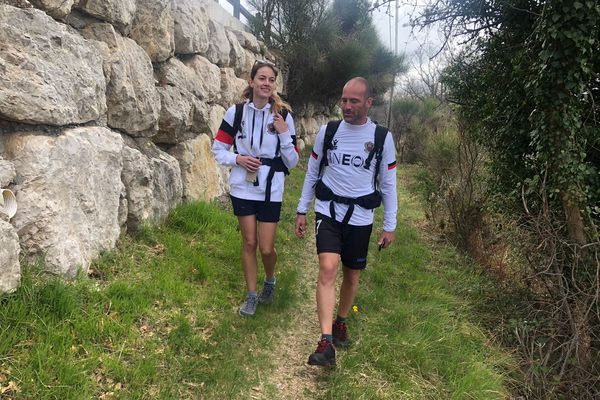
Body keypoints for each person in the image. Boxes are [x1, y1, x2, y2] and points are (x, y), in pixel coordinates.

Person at [295, 77, 397, 366]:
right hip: (328, 210)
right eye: (344, 100)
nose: (347, 106)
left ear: (368, 102)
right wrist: (302, 210)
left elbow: (388, 184)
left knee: (352, 275)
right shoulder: (328, 132)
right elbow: (312, 172)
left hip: (361, 217)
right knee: (328, 268)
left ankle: (340, 322)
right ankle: (326, 342)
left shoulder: (381, 138)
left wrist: (390, 224)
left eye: (354, 101)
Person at [212, 60, 299, 316]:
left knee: (266, 248)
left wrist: (284, 135)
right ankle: (251, 295)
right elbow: (218, 150)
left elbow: (292, 160)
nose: (266, 84)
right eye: (262, 78)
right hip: (243, 187)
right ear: (251, 82)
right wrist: (238, 158)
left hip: (271, 189)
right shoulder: (235, 113)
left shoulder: (283, 116)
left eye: (271, 80)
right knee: (249, 242)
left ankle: (270, 280)